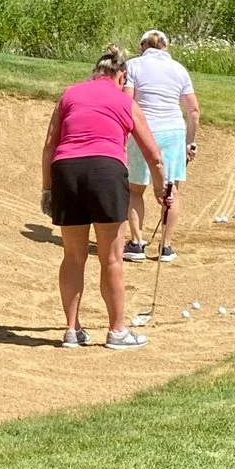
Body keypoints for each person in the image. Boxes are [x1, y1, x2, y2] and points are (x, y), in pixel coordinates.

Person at [41, 45, 170, 350]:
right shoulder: (124, 100)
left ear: (95, 72)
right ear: (121, 76)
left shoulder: (69, 94)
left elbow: (49, 146)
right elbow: (154, 156)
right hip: (106, 171)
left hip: (66, 171)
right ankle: (117, 331)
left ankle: (72, 331)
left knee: (73, 256)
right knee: (111, 258)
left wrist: (47, 191)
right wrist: (160, 189)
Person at [122, 29, 199, 263]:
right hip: (174, 132)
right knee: (170, 190)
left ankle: (136, 244)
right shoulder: (179, 69)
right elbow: (193, 112)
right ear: (165, 47)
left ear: (142, 46)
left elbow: (126, 102)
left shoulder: (133, 65)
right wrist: (190, 142)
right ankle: (165, 247)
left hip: (144, 130)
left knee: (136, 189)